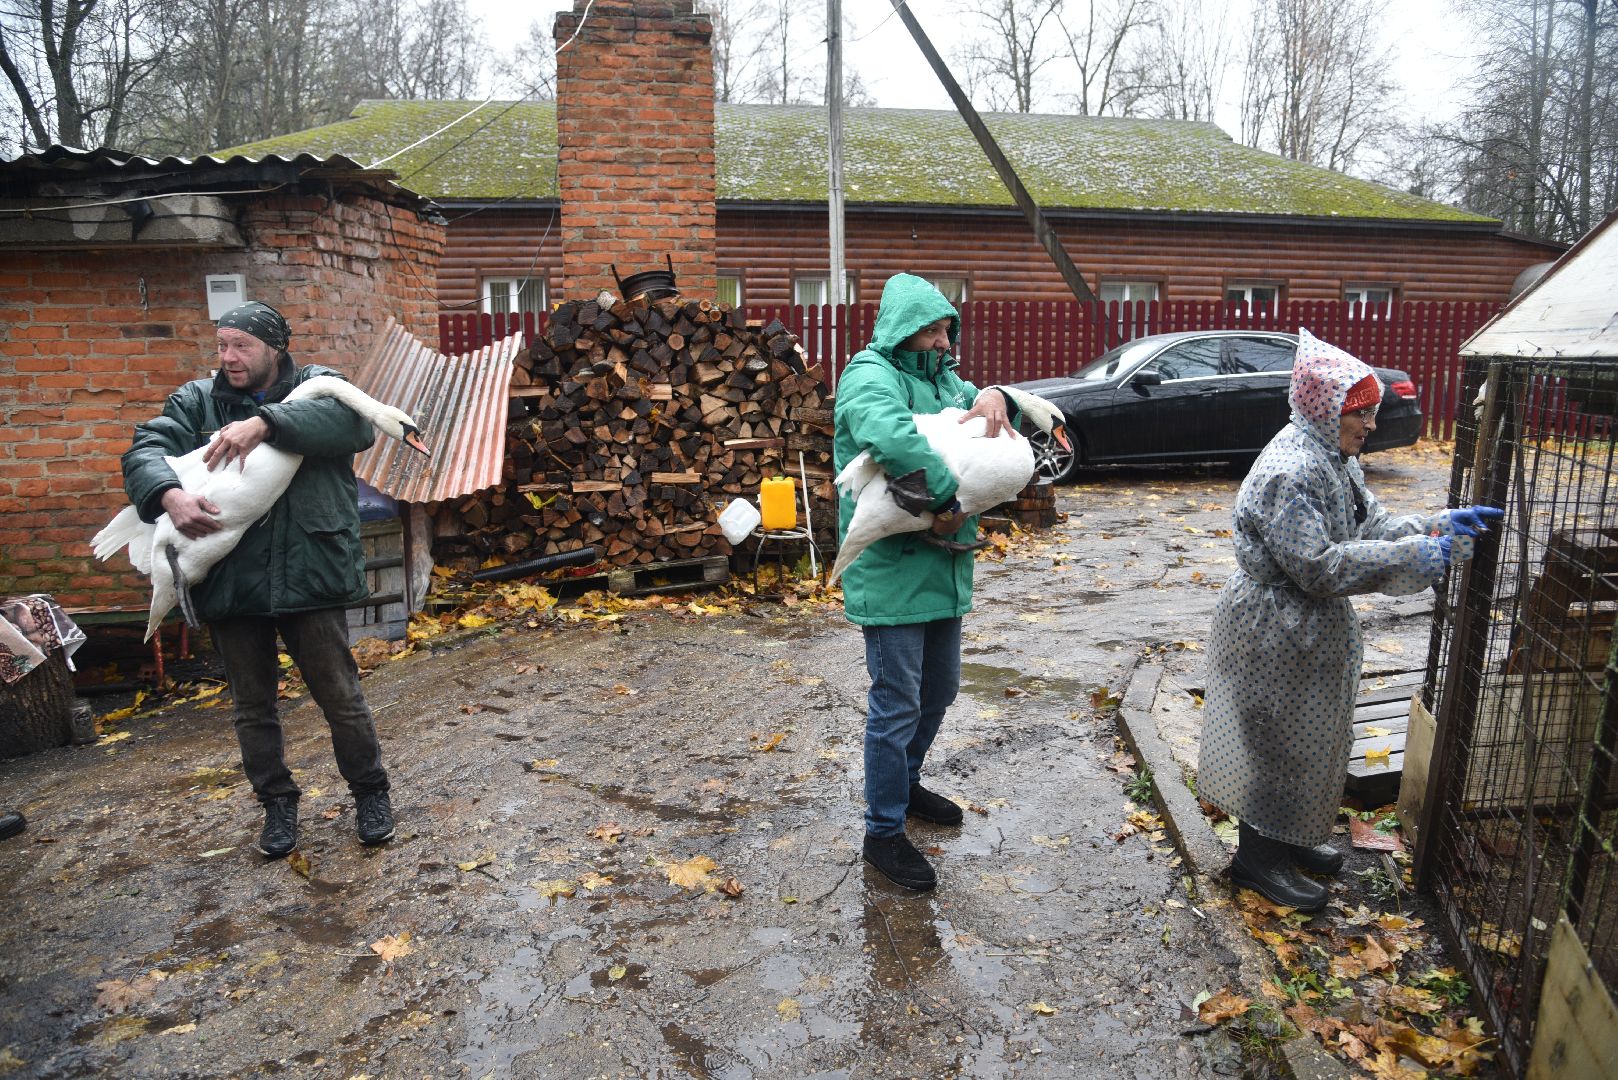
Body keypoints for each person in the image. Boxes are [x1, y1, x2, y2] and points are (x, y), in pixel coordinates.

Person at [1197, 329, 1501, 911]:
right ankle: (1256, 863)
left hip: (1303, 629)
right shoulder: (1291, 470)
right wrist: (1416, 557)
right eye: (1358, 414)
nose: (1368, 425)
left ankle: (1288, 837)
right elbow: (1319, 566)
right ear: (1324, 408)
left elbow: (1370, 525)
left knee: (1311, 739)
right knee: (1276, 742)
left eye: (1371, 413)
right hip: (1273, 628)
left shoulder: (1333, 457)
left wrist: (1437, 527)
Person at [120, 301, 395, 858]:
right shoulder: (196, 401)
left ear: (274, 347)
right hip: (231, 583)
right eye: (222, 345)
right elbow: (145, 450)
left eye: (241, 346)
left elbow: (352, 426)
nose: (228, 357)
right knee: (252, 707)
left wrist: (266, 422)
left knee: (340, 697)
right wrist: (168, 495)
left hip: (309, 573)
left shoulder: (318, 384)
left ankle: (371, 793)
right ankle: (277, 807)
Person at [834, 273, 1017, 892]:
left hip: (943, 559)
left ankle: (905, 785)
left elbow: (980, 403)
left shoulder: (942, 377)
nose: (943, 341)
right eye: (932, 329)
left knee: (939, 691)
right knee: (897, 702)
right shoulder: (867, 375)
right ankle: (882, 832)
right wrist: (946, 496)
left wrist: (994, 395)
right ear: (902, 328)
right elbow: (889, 434)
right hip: (890, 566)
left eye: (947, 330)